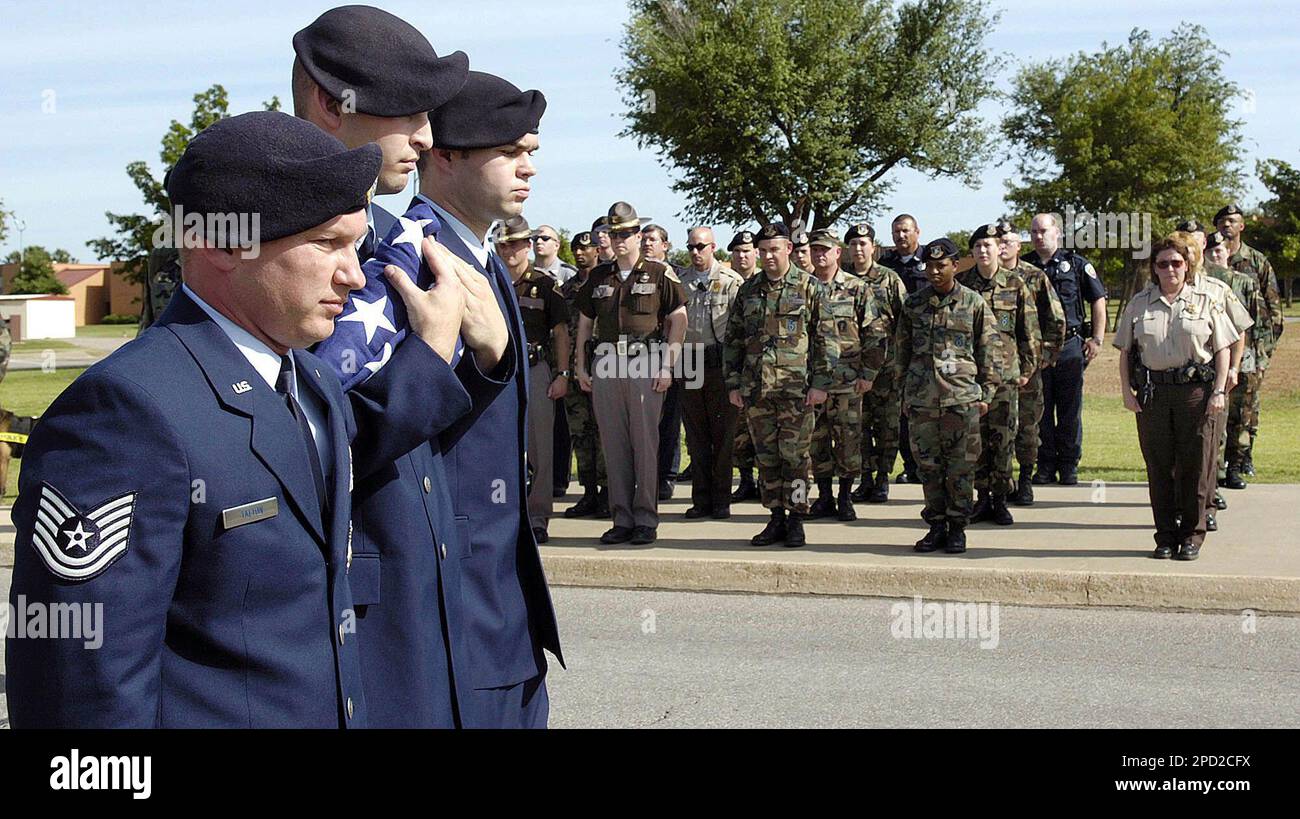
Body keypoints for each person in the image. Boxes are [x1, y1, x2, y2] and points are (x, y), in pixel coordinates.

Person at [5, 112, 458, 727]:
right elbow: (83, 686)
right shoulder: (125, 414)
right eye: (327, 244)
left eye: (355, 245)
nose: (353, 275)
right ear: (222, 244)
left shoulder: (311, 380)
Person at [316, 70, 562, 728]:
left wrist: (493, 357)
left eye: (533, 152)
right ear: (445, 157)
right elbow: (339, 430)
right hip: (440, 615)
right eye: (510, 152)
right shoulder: (407, 260)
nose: (528, 168)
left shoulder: (476, 256)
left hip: (500, 611)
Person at [291, 5, 467, 260]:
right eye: (408, 113)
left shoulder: (399, 241)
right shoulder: (248, 242)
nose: (426, 140)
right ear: (333, 107)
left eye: (427, 115)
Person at [1114, 234, 1236, 561]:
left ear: (1187, 266)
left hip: (1195, 393)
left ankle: (1192, 536)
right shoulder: (1140, 303)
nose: (1170, 269)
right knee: (1159, 467)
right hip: (1153, 394)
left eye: (1177, 263)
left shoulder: (1206, 300)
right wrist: (1127, 392)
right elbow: (1126, 352)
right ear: (1154, 268)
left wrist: (1220, 390)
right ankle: (1165, 535)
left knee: (1194, 466)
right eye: (1163, 263)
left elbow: (1222, 349)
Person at [575, 202, 688, 546]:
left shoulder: (658, 273)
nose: (619, 240)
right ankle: (620, 518)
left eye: (626, 233)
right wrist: (580, 366)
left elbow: (678, 319)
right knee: (615, 445)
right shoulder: (599, 276)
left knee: (644, 443)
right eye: (613, 234)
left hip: (646, 361)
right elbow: (584, 324)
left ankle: (645, 519)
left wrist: (668, 365)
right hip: (607, 362)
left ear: (639, 235)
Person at [725, 222, 836, 548]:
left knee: (797, 460)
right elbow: (734, 340)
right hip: (758, 392)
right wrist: (733, 383)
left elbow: (826, 340)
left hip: (797, 394)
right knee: (767, 459)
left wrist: (820, 384)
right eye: (763, 251)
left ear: (788, 249)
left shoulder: (809, 287)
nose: (768, 256)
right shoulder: (749, 290)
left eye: (774, 249)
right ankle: (775, 516)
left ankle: (797, 517)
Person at [896, 238, 997, 555]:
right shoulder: (914, 305)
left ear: (955, 265)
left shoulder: (973, 303)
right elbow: (901, 352)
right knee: (929, 468)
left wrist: (987, 394)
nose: (935, 271)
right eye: (929, 265)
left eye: (941, 265)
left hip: (961, 400)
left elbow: (990, 352)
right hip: (922, 401)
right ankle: (936, 525)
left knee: (961, 469)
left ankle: (957, 528)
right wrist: (903, 393)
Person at [959, 224, 1039, 526]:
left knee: (1004, 440)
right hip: (973, 378)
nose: (983, 251)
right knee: (976, 441)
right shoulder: (963, 285)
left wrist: (1027, 370)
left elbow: (1028, 331)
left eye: (988, 245)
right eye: (977, 246)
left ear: (999, 249)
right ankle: (982, 499)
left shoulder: (1015, 284)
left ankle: (1001, 499)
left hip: (1006, 377)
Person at [497, 216, 571, 543]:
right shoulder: (488, 281)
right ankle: (506, 512)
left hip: (536, 368)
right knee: (502, 446)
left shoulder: (544, 283)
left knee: (540, 446)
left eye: (515, 243)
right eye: (503, 244)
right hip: (499, 372)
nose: (509, 250)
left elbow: (561, 332)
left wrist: (563, 374)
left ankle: (538, 516)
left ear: (527, 245)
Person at [806, 229, 887, 522]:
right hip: (812, 383)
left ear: (837, 253)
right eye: (815, 250)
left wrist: (868, 373)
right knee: (817, 442)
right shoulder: (803, 288)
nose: (820, 255)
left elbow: (875, 334)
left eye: (825, 250)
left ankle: (845, 497)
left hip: (847, 381)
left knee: (849, 443)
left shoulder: (857, 288)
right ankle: (824, 497)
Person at [1022, 213, 1107, 486]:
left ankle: (1069, 465)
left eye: (1043, 231)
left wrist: (1096, 338)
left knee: (1070, 409)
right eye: (1034, 231)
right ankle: (1045, 465)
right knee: (1040, 409)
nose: (1038, 236)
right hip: (1037, 348)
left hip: (1070, 345)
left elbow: (1098, 300)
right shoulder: (1024, 267)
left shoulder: (1076, 264)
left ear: (1056, 232)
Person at [997, 220, 1066, 506]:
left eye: (1007, 241)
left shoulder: (1034, 277)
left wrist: (1045, 357)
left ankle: (1025, 479)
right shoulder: (975, 280)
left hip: (1026, 370)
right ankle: (1000, 485)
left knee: (1027, 428)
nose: (1002, 246)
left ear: (1018, 246)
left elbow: (1056, 320)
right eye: (997, 242)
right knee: (996, 430)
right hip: (993, 370)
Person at [678, 227, 744, 520]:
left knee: (724, 434)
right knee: (696, 435)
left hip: (722, 365)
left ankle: (721, 499)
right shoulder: (681, 282)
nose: (695, 252)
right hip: (691, 362)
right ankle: (700, 499)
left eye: (701, 246)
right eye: (691, 247)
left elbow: (741, 329)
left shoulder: (731, 282)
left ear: (713, 247)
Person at [1214, 203, 1283, 478]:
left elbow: (1274, 312)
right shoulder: (1206, 259)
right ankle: (1218, 466)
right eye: (1222, 221)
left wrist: (1264, 353)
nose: (1226, 225)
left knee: (1246, 408)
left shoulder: (1256, 261)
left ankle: (1241, 460)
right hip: (1217, 349)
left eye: (1232, 221)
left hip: (1250, 350)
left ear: (1241, 226)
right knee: (1219, 405)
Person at [844, 223, 908, 504]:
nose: (859, 249)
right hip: (852, 367)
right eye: (854, 244)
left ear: (874, 247)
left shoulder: (889, 279)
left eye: (863, 243)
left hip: (886, 369)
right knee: (858, 427)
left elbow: (905, 323)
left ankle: (883, 479)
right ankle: (865, 478)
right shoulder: (842, 281)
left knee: (887, 427)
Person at [560, 231, 610, 519]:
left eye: (586, 249)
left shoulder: (605, 284)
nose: (580, 254)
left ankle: (607, 493)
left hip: (603, 365)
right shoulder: (566, 290)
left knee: (605, 433)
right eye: (576, 249)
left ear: (597, 252)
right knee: (581, 433)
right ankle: (589, 492)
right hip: (575, 368)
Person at [879, 214, 927, 484]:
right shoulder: (886, 265)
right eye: (896, 231)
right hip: (892, 351)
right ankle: (909, 465)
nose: (900, 236)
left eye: (906, 231)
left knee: (922, 410)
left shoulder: (930, 261)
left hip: (922, 349)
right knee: (900, 413)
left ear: (917, 232)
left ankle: (925, 465)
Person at [642, 223, 685, 500]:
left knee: (669, 419)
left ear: (665, 246)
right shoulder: (636, 274)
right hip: (641, 358)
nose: (647, 244)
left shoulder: (672, 275)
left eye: (653, 240)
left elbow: (677, 320)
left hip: (674, 356)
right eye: (644, 239)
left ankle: (666, 476)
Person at [726, 229, 761, 502]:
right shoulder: (732, 285)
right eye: (737, 251)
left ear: (756, 253)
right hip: (743, 371)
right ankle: (746, 479)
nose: (742, 255)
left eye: (747, 251)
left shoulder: (764, 284)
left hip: (774, 376)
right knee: (740, 431)